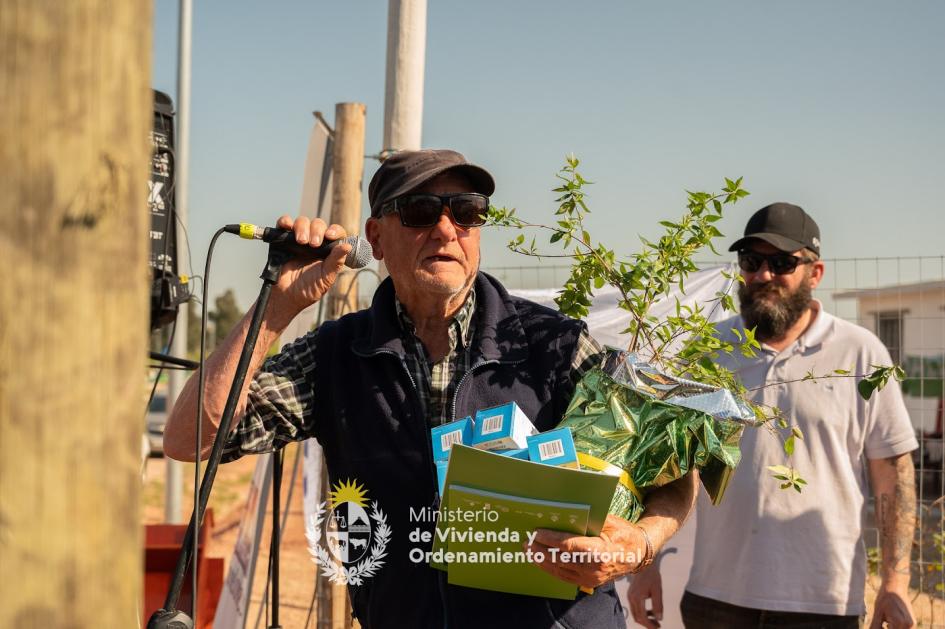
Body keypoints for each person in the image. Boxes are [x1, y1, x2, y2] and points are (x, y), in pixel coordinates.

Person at [164, 149, 697, 628]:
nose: (447, 230)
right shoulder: (335, 356)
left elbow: (678, 462)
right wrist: (276, 307)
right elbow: (189, 439)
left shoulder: (556, 347)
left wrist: (640, 543)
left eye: (465, 211)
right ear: (374, 238)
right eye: (421, 211)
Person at [628, 203, 918, 629]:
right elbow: (671, 463)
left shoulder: (860, 353)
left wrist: (895, 581)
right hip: (716, 598)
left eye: (782, 262)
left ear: (814, 273)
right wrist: (646, 563)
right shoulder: (709, 351)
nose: (764, 275)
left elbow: (893, 473)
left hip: (824, 602)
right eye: (752, 261)